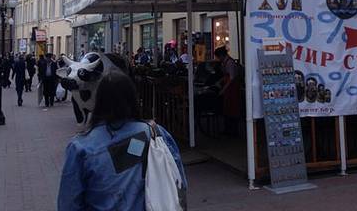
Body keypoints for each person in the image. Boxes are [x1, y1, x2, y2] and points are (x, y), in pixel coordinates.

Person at [57, 71, 186, 211]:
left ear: (99, 100)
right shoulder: (155, 134)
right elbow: (179, 181)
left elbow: (68, 202)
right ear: (132, 98)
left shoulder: (80, 147)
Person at [214, 46, 241, 136]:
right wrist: (220, 81)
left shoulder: (230, 63)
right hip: (229, 88)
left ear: (222, 55)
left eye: (218, 57)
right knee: (228, 109)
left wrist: (223, 89)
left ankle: (234, 131)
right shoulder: (225, 63)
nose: (218, 59)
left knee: (233, 109)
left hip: (232, 88)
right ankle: (228, 129)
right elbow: (226, 76)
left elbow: (231, 78)